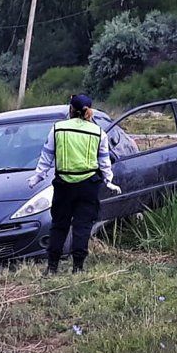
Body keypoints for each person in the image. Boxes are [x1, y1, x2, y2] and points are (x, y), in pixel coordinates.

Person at [28, 94, 122, 275]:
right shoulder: (98, 132)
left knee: (59, 225)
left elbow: (46, 157)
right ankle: (78, 267)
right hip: (88, 185)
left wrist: (37, 177)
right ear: (89, 110)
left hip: (63, 184)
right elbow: (104, 161)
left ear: (70, 109)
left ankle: (52, 267)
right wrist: (109, 181)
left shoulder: (58, 129)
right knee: (83, 226)